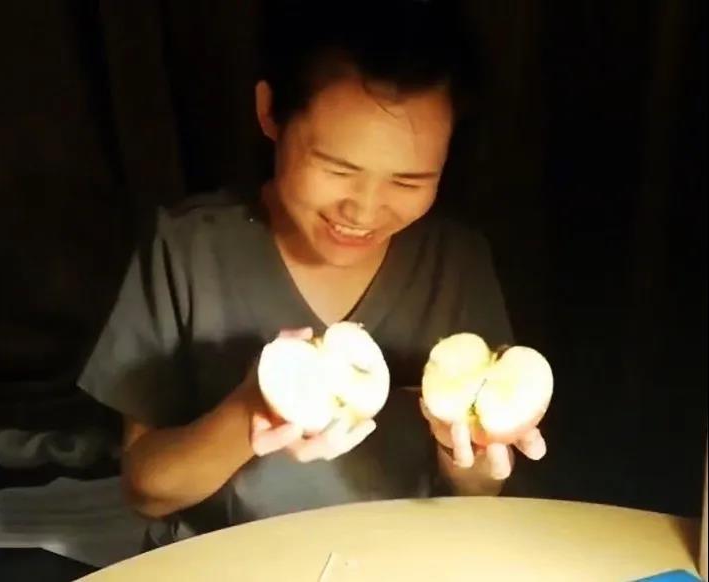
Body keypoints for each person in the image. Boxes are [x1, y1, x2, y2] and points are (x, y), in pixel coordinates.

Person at [78, 0, 547, 547]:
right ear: (270, 113)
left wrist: (470, 457)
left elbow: (474, 493)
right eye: (336, 168)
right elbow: (146, 489)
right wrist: (253, 409)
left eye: (408, 181)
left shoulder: (455, 262)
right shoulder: (188, 250)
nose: (364, 210)